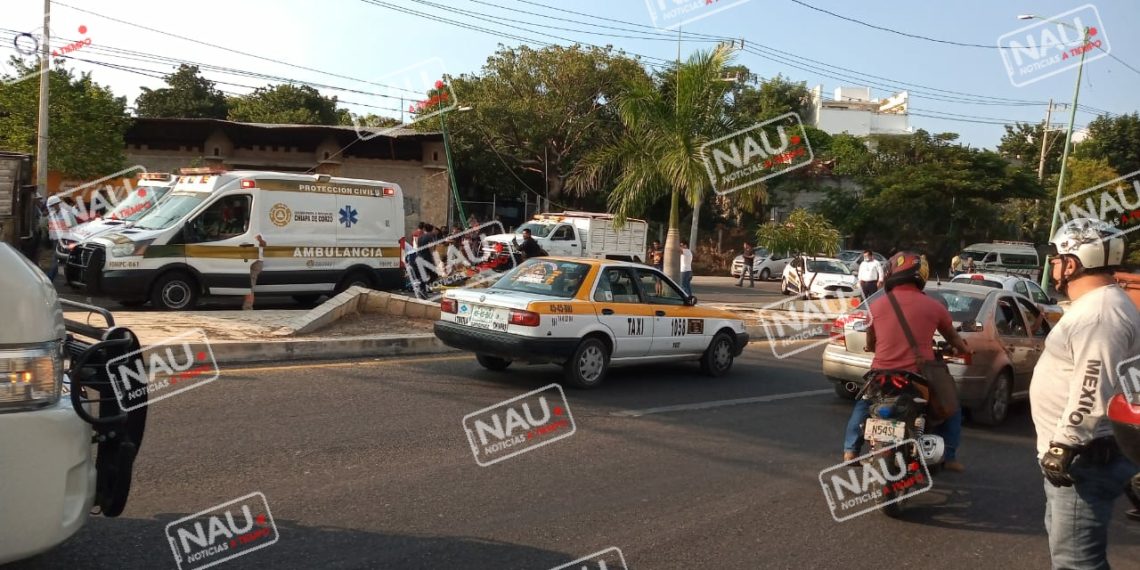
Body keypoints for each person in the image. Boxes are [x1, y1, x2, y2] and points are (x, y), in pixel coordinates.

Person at [1029, 218, 1140, 569]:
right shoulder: (1104, 304)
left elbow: (1093, 383)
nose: (1053, 267)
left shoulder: (1100, 313)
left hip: (1084, 457)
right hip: (1089, 454)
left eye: (1057, 260)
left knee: (1076, 563)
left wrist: (1065, 444)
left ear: (1072, 263)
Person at [842, 251, 972, 472]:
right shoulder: (934, 307)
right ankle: (948, 456)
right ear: (921, 275)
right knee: (951, 408)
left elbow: (871, 342)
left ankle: (850, 450)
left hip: (881, 375)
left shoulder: (876, 305)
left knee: (864, 404)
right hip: (918, 376)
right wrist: (965, 350)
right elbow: (953, 338)